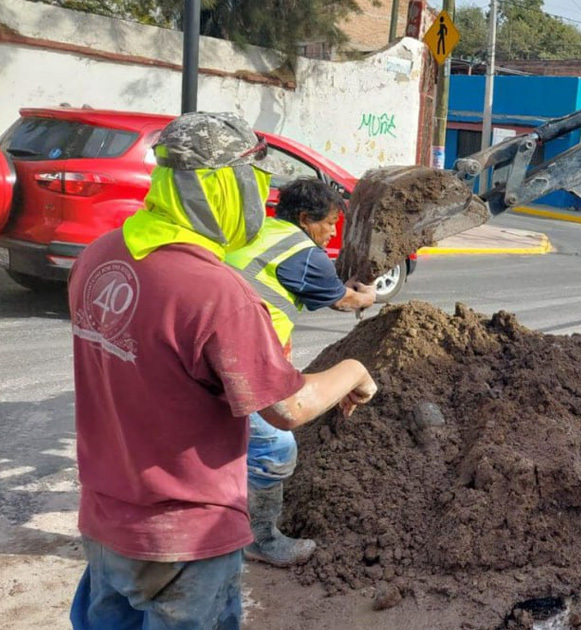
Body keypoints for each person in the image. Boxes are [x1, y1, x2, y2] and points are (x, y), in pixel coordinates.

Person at [69, 112, 378, 630]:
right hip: (186, 539)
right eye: (255, 184)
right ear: (226, 188)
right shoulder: (214, 291)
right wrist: (353, 370)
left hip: (104, 523)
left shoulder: (99, 256)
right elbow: (287, 408)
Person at [225, 177, 376, 567]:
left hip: (211, 350)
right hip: (240, 362)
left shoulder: (256, 233)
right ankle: (259, 538)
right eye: (327, 223)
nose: (331, 232)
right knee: (275, 445)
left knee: (225, 442)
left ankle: (223, 513)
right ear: (305, 218)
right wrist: (370, 295)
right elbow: (345, 301)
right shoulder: (305, 254)